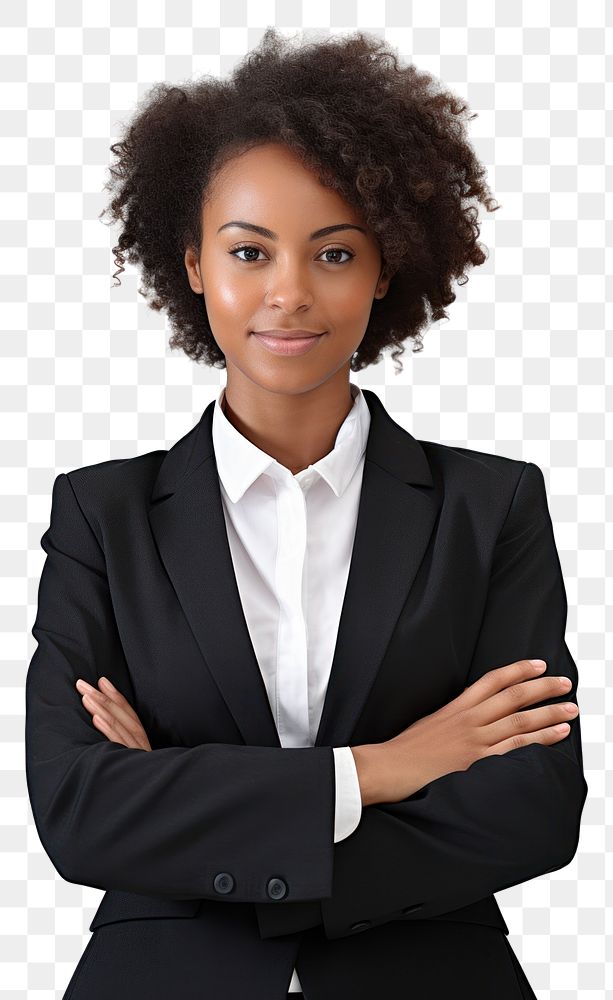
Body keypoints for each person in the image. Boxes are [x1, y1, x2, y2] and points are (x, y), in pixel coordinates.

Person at [25, 27, 587, 1000]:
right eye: (250, 251)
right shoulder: (101, 515)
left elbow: (531, 806)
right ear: (195, 262)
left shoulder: (490, 507)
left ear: (385, 268)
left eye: (333, 251)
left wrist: (197, 815)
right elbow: (79, 808)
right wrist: (387, 767)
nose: (288, 293)